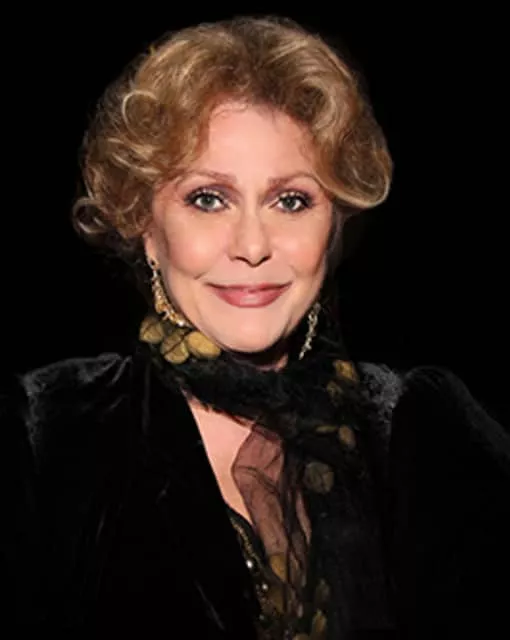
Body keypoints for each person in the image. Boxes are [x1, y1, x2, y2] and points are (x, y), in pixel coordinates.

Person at [2, 16, 509, 639]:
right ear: (145, 226)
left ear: (334, 225)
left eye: (290, 200)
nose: (251, 245)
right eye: (208, 198)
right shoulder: (47, 436)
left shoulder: (418, 434)